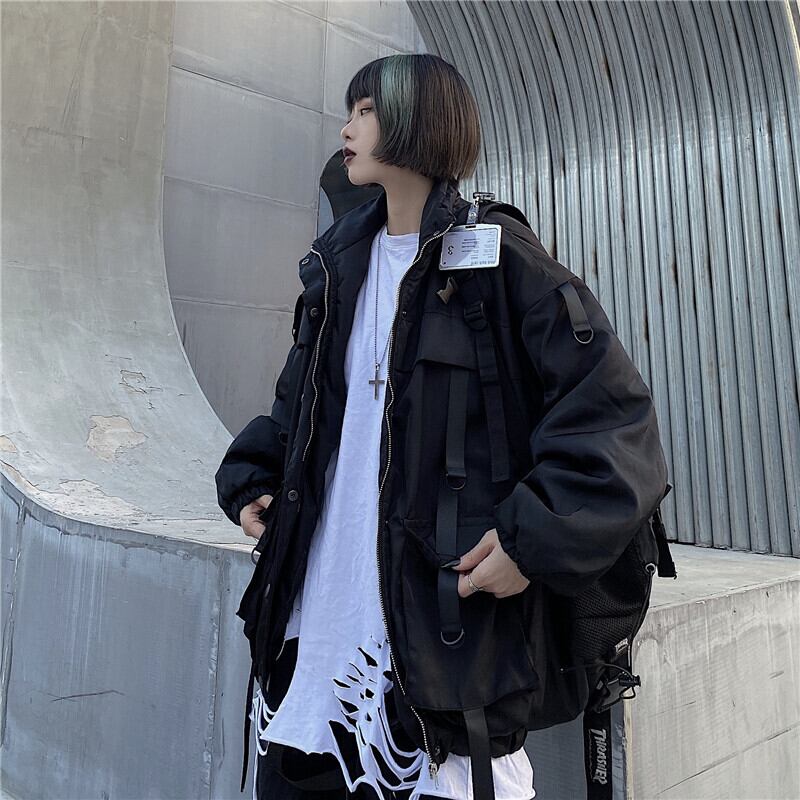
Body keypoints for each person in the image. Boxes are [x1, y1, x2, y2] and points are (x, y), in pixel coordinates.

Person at [216, 53, 668, 800]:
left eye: (366, 111)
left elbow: (615, 422)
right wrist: (254, 479)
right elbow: (300, 409)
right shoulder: (337, 264)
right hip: (314, 634)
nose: (346, 128)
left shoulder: (500, 261)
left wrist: (531, 542)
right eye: (350, 112)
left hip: (441, 649)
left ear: (417, 121)